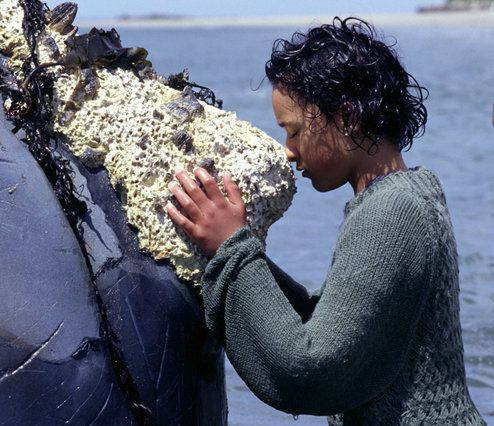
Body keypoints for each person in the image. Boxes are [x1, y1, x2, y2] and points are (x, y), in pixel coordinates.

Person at [165, 17, 484, 424]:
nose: (288, 151)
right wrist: (231, 249)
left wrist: (233, 249)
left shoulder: (392, 212)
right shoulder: (408, 195)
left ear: (348, 120)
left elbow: (312, 371)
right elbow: (336, 322)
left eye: (294, 132)